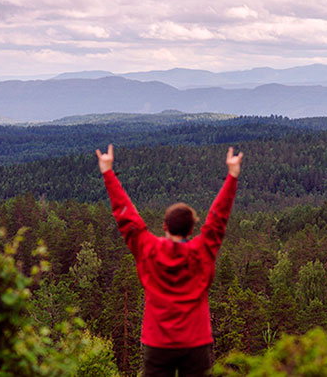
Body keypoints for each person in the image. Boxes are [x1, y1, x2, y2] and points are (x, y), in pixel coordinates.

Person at [96, 144, 243, 377]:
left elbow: (126, 216)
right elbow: (218, 219)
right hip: (196, 342)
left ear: (164, 227)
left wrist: (108, 172)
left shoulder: (149, 250)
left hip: (158, 342)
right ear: (192, 229)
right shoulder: (201, 251)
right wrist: (232, 176)